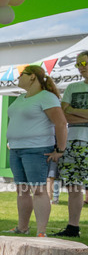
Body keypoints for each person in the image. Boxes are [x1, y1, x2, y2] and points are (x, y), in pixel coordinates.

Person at [3, 65, 66, 237]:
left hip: (37, 149)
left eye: (21, 75)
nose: (18, 78)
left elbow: (61, 123)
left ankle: (41, 232)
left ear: (32, 77)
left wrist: (60, 149)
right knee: (22, 190)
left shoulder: (46, 97)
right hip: (16, 149)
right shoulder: (21, 97)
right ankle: (22, 227)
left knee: (38, 190)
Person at [54, 50, 88, 238]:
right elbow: (62, 115)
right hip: (73, 141)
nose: (81, 68)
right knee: (73, 186)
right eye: (78, 64)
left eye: (85, 64)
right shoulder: (72, 87)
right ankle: (73, 227)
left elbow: (68, 112)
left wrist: (73, 110)